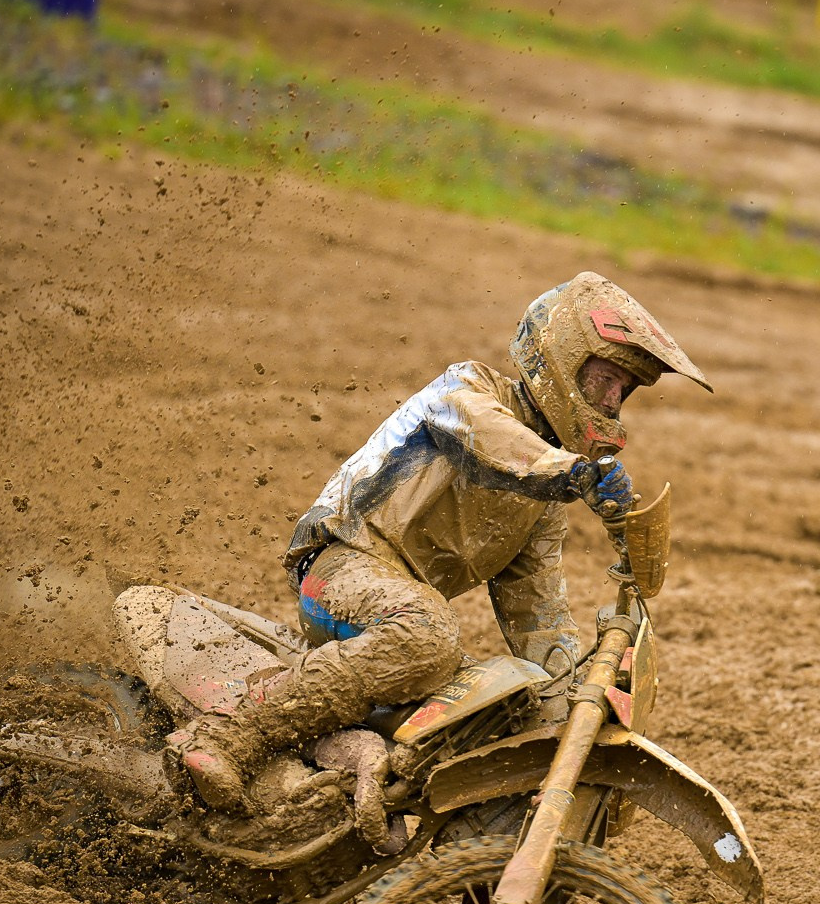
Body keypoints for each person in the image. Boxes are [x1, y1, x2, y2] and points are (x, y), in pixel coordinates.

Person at [173, 271, 710, 813]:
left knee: (516, 707)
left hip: (397, 614)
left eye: (626, 389)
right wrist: (574, 472)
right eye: (605, 379)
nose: (614, 400)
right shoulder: (466, 391)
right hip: (338, 569)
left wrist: (583, 688)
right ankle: (228, 735)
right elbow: (491, 438)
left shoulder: (541, 502)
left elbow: (538, 617)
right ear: (564, 355)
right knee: (428, 636)